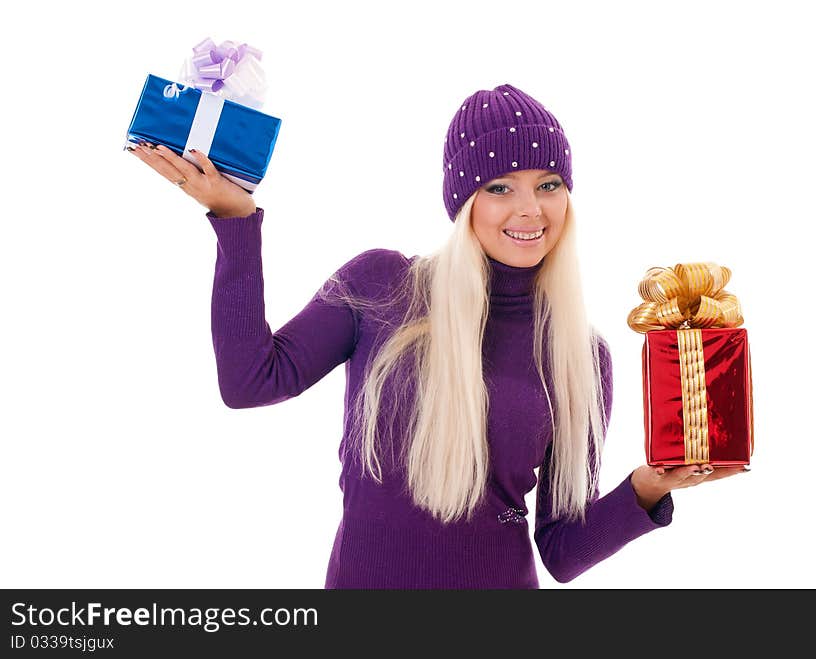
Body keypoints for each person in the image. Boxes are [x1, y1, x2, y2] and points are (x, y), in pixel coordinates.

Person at [128, 82, 748, 588]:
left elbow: (561, 551)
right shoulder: (381, 286)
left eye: (549, 185)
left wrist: (648, 488)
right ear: (463, 201)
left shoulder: (579, 355)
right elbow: (250, 381)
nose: (530, 210)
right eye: (499, 187)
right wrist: (236, 221)